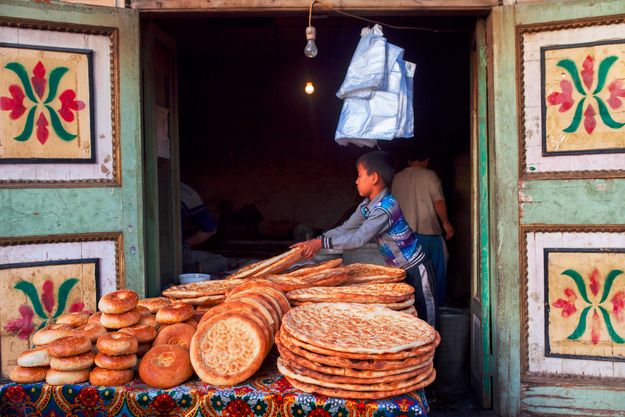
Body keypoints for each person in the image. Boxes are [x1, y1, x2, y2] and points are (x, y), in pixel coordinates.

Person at [293, 151, 437, 326]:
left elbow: (358, 239)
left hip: (416, 269)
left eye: (359, 175)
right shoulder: (367, 206)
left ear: (374, 177)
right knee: (408, 320)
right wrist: (315, 241)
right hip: (399, 272)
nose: (356, 181)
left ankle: (434, 353)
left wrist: (321, 243)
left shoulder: (386, 208)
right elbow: (346, 228)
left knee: (426, 320)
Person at [391, 148, 453, 306]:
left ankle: (410, 310)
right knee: (436, 275)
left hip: (403, 237)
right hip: (428, 234)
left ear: (408, 161)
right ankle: (436, 309)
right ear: (426, 160)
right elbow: (438, 201)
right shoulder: (430, 175)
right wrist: (446, 224)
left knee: (409, 277)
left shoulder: (397, 178)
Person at [180, 182, 229, 274]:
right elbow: (210, 230)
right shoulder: (185, 191)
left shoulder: (145, 188)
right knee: (221, 261)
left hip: (148, 255)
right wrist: (181, 246)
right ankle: (192, 271)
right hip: (176, 255)